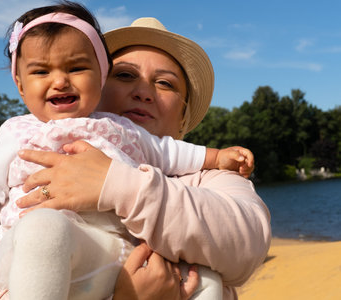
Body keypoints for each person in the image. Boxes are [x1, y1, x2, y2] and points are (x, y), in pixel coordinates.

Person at [0, 2, 255, 300]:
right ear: (21, 87)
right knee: (43, 229)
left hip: (114, 253)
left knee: (206, 280)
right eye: (126, 76)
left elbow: (170, 154)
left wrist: (216, 157)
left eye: (164, 83)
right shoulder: (18, 132)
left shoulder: (132, 138)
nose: (59, 80)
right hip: (47, 249)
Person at [15, 17, 272, 300]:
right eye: (124, 75)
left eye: (164, 83)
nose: (143, 92)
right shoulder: (37, 161)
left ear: (183, 118)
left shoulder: (209, 177)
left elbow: (247, 243)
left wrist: (114, 184)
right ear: (92, 87)